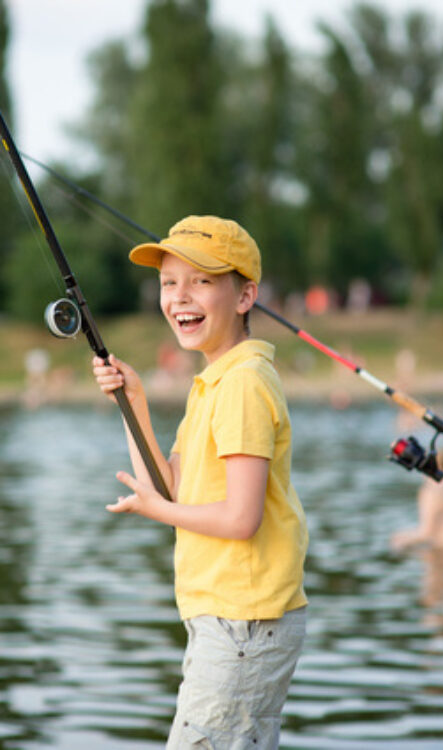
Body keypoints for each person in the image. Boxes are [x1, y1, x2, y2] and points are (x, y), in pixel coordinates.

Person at [92, 215, 309, 750]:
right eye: (169, 282)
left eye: (202, 280)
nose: (179, 297)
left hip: (242, 624)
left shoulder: (240, 384)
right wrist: (133, 401)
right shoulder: (215, 381)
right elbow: (171, 489)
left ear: (244, 296)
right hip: (230, 622)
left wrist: (154, 511)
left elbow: (240, 518)